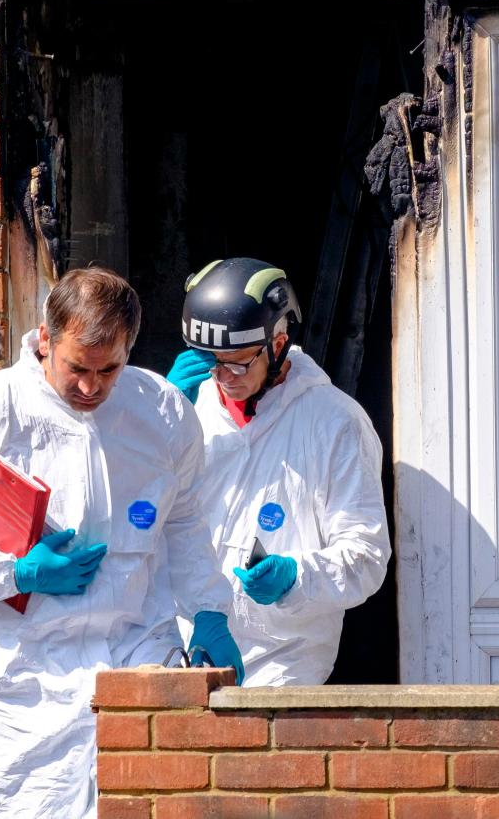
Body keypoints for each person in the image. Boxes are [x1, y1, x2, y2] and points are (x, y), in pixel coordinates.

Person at [0, 267, 242, 819]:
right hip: (28, 679)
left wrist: (208, 612)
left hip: (137, 659)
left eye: (110, 370)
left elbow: (185, 523)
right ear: (45, 338)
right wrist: (14, 573)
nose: (91, 387)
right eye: (77, 367)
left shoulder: (161, 411)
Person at [167, 256, 391, 687]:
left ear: (280, 342)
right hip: (186, 644)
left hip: (284, 660)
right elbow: (139, 511)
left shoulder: (335, 423)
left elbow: (366, 557)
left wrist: (295, 578)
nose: (223, 376)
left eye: (238, 363)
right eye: (211, 361)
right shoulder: (188, 406)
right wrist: (159, 419)